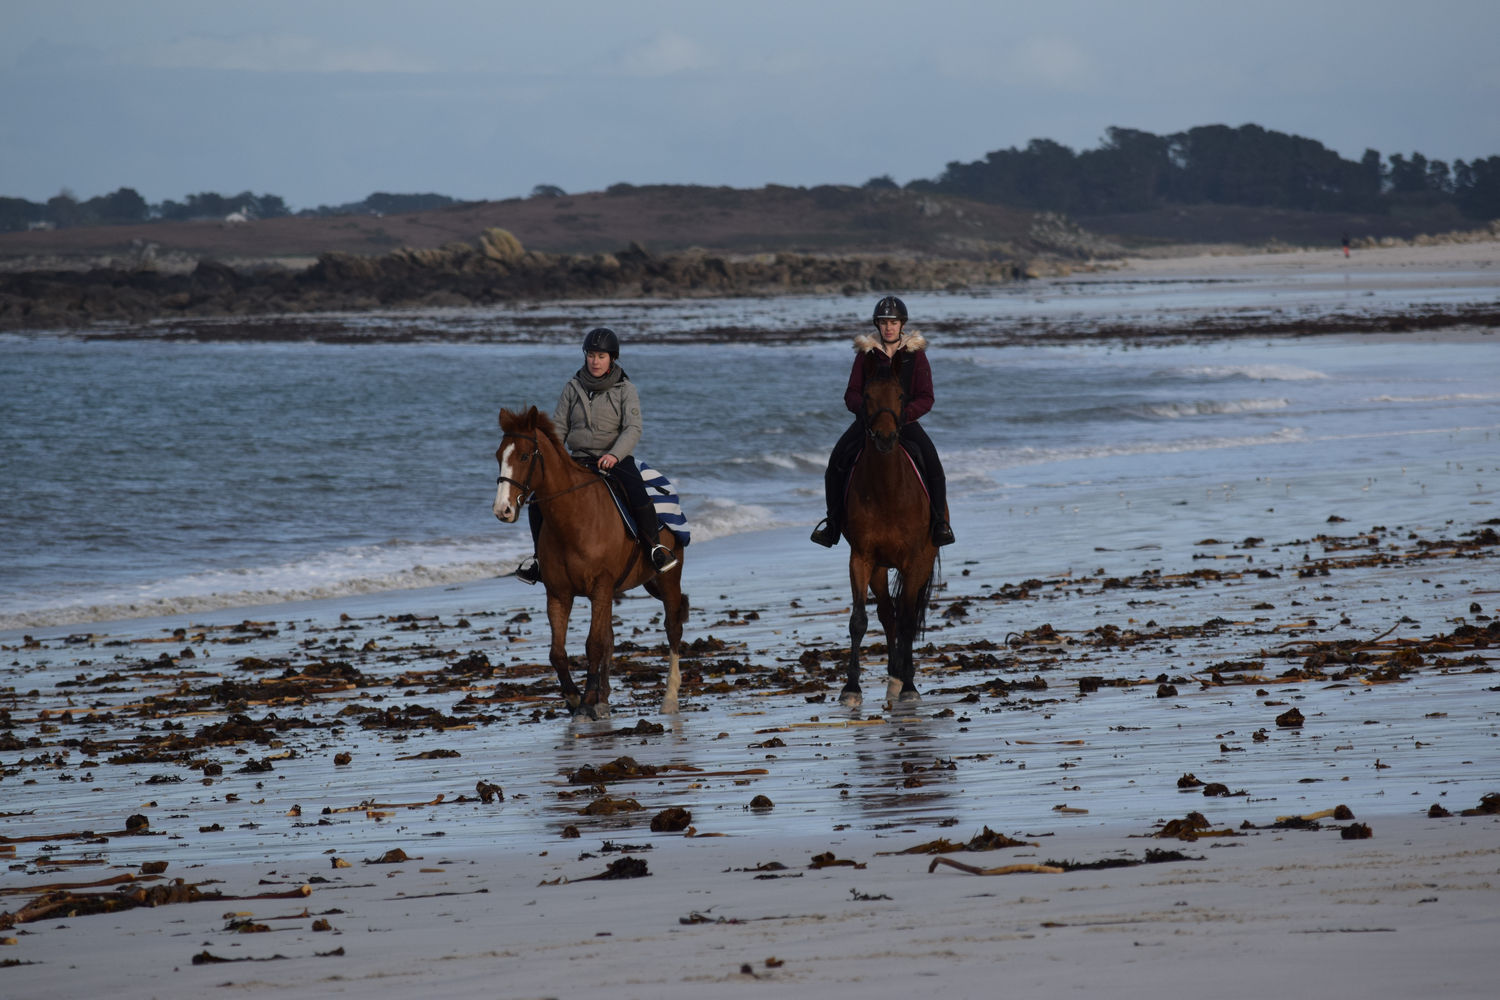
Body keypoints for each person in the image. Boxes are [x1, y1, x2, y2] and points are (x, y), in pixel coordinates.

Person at [515, 327, 678, 584]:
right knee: (537, 502)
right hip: (578, 458)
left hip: (615, 459)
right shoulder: (572, 386)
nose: (595, 361)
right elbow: (559, 426)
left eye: (601, 356)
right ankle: (538, 560)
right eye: (591, 355)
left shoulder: (626, 389)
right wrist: (556, 456)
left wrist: (614, 455)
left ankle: (655, 549)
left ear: (612, 358)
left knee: (637, 493)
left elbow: (633, 428)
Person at [810, 296, 955, 548]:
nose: (889, 327)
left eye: (894, 322)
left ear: (902, 324)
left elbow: (926, 397)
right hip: (869, 423)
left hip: (905, 423)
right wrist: (866, 413)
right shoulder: (866, 355)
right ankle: (832, 524)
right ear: (878, 325)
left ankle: (940, 523)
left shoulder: (915, 356)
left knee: (932, 464)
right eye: (884, 322)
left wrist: (904, 416)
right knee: (835, 463)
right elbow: (852, 393)